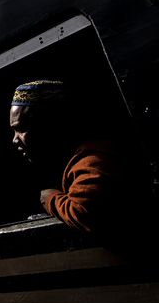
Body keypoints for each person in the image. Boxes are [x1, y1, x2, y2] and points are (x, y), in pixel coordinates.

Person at [8, 79, 151, 246]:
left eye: (22, 128)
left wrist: (50, 198)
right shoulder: (75, 158)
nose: (14, 139)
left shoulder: (94, 158)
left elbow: (84, 212)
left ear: (52, 124)